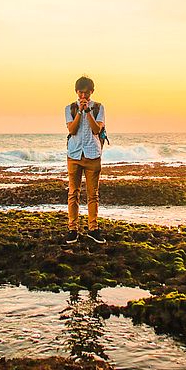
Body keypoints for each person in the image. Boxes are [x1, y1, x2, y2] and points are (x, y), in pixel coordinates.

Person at [65, 75, 106, 244]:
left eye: (86, 93)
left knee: (92, 194)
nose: (83, 97)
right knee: (73, 193)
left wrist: (88, 112)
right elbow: (72, 130)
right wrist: (80, 112)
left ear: (92, 92)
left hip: (92, 154)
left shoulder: (98, 107)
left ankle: (93, 228)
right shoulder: (70, 108)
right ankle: (72, 228)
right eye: (80, 93)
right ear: (76, 92)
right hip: (74, 154)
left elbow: (97, 130)